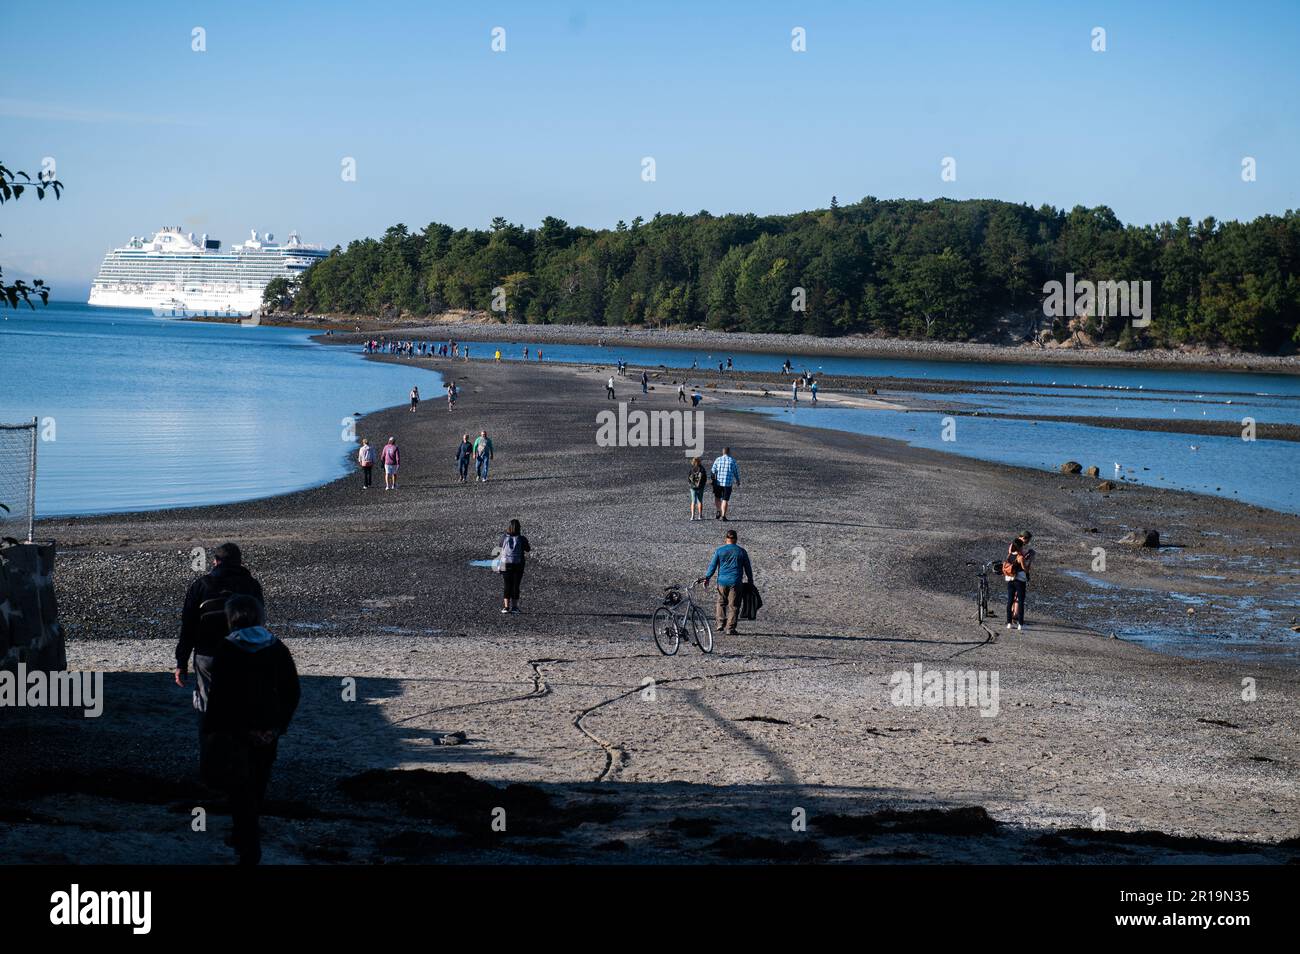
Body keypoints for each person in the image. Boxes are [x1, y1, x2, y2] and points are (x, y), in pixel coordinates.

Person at [201, 594, 300, 865]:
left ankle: (247, 844)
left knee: (239, 788)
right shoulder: (276, 646)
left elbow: (221, 696)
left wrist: (213, 729)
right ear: (259, 615)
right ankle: (247, 836)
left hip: (237, 730)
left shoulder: (227, 648)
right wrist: (278, 726)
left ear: (230, 618)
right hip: (268, 727)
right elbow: (292, 691)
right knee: (258, 782)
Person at [174, 543, 265, 715]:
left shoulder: (200, 585)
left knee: (207, 707)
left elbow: (188, 626)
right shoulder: (251, 585)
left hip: (207, 653)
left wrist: (181, 662)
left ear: (215, 562)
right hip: (244, 652)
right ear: (240, 562)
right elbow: (260, 621)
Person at [698, 529, 754, 636]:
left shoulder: (720, 551)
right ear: (736, 539)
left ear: (726, 539)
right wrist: (750, 580)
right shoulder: (741, 551)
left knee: (721, 602)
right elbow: (748, 568)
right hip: (736, 582)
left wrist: (707, 577)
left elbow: (713, 565)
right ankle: (730, 628)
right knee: (734, 606)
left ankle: (720, 623)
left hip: (722, 581)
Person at [498, 519, 531, 614]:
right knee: (516, 586)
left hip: (505, 564)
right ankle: (515, 607)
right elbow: (528, 549)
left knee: (507, 585)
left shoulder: (503, 537)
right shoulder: (521, 538)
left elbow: (499, 548)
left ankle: (506, 607)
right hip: (518, 565)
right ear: (519, 528)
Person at [1005, 532, 1035, 629]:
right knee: (1020, 601)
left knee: (1010, 601)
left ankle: (1009, 623)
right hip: (1019, 581)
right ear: (1020, 547)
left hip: (1010, 579)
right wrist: (1030, 560)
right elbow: (1025, 569)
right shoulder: (1020, 557)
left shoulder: (1009, 555)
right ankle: (1020, 624)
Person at [710, 447, 740, 521]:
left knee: (717, 497)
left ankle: (718, 510)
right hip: (728, 483)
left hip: (718, 483)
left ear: (723, 452)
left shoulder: (718, 459)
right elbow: (736, 472)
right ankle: (723, 515)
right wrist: (738, 480)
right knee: (725, 499)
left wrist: (713, 480)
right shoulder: (732, 461)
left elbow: (713, 471)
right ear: (729, 452)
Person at [688, 456, 707, 521]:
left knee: (693, 501)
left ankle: (692, 516)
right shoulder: (702, 469)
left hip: (692, 487)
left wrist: (690, 485)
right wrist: (702, 485)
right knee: (700, 501)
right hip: (700, 487)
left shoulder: (692, 469)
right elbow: (705, 479)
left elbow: (689, 478)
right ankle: (700, 516)